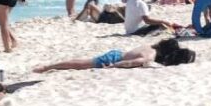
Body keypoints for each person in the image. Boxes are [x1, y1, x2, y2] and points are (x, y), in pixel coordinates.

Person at [33, 38, 196, 72]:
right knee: (80, 64)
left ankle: (50, 66)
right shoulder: (151, 55)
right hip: (115, 58)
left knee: (82, 62)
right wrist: (113, 66)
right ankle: (49, 66)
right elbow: (133, 63)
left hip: (118, 53)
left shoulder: (150, 46)